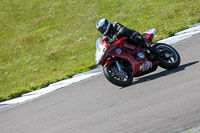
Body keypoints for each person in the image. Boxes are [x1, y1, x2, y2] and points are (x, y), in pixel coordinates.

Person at [96, 18, 160, 56]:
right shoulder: (108, 36)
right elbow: (106, 44)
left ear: (106, 25)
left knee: (134, 37)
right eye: (101, 30)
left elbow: (123, 29)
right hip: (125, 45)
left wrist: (116, 36)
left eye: (103, 29)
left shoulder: (115, 25)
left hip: (131, 36)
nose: (102, 31)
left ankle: (153, 50)